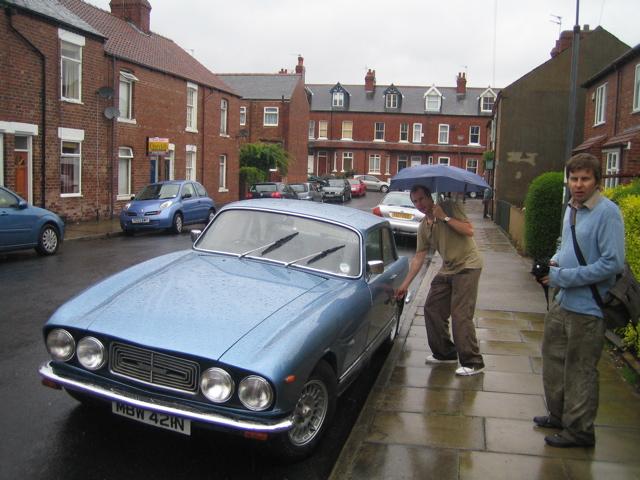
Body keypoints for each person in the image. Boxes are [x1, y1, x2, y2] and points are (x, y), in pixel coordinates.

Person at [536, 153, 625, 448]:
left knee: (580, 370)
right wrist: (553, 262)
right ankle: (559, 415)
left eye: (585, 178)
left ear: (597, 182)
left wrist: (563, 278)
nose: (578, 184)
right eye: (573, 178)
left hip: (589, 309)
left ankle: (580, 431)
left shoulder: (607, 213)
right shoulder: (572, 209)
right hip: (564, 302)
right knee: (553, 358)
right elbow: (567, 248)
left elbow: (612, 264)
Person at [395, 185, 485, 376]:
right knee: (432, 308)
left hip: (468, 265)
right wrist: (405, 284)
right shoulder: (423, 227)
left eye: (421, 199)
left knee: (460, 314)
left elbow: (469, 230)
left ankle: (473, 362)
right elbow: (419, 257)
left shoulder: (449, 207)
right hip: (448, 268)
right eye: (415, 201)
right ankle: (445, 353)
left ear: (430, 197)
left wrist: (444, 217)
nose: (419, 204)